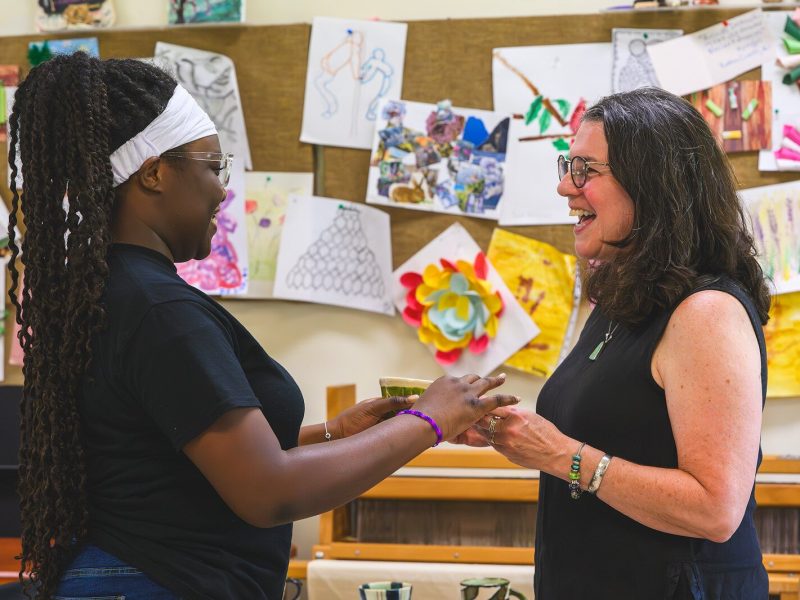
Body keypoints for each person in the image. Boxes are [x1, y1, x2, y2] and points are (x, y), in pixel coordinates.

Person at [6, 53, 517, 600]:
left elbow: (175, 452)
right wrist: (428, 421)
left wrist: (333, 435)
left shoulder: (111, 293)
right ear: (154, 172)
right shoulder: (159, 311)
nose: (222, 190)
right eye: (212, 167)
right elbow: (267, 491)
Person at [455, 87, 771, 599]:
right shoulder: (625, 302)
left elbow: (715, 510)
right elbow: (611, 438)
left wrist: (559, 455)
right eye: (568, 165)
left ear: (653, 186)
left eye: (586, 170)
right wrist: (505, 432)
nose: (564, 187)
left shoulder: (706, 313)